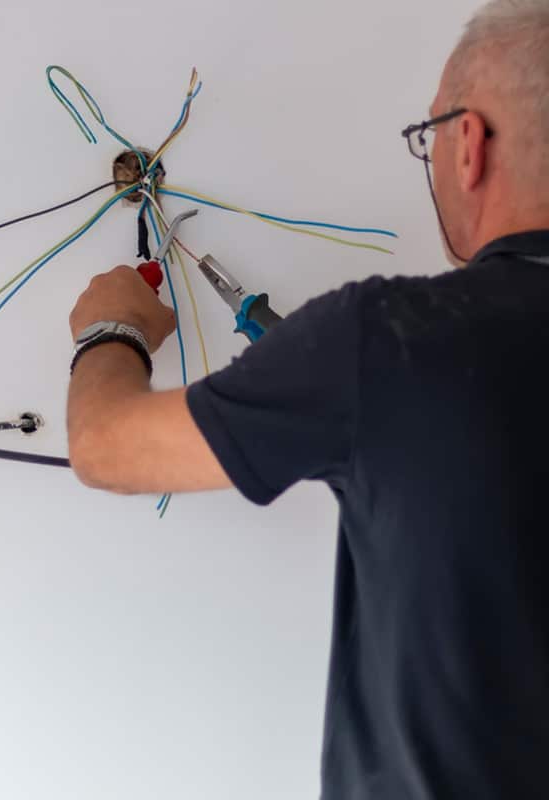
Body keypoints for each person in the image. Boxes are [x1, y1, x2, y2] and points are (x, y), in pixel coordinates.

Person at [66, 1, 549, 796]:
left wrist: (110, 329)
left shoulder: (392, 340)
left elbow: (105, 446)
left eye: (427, 137)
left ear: (469, 144)